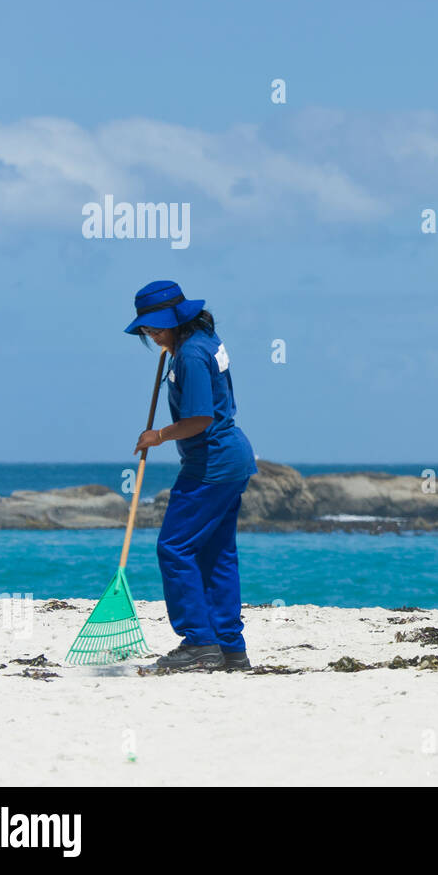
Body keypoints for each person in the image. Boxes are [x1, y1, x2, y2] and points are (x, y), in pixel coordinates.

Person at [125, 280, 258, 670]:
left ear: (177, 320)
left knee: (175, 547)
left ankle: (199, 642)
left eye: (156, 328)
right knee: (216, 553)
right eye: (147, 330)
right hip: (229, 459)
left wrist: (159, 435)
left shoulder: (191, 355)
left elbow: (200, 418)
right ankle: (230, 648)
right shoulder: (197, 342)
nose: (151, 335)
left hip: (212, 463)